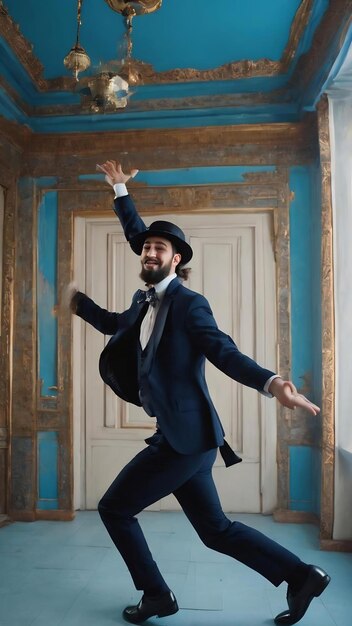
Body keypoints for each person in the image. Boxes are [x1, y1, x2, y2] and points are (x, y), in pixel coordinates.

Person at [68, 160, 330, 625]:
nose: (149, 252)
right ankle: (301, 576)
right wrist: (120, 191)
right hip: (185, 436)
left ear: (177, 259)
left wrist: (272, 384)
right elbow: (113, 324)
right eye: (146, 246)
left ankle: (156, 596)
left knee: (113, 508)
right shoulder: (141, 299)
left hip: (184, 439)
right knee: (216, 529)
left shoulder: (189, 305)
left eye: (159, 248)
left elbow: (224, 352)